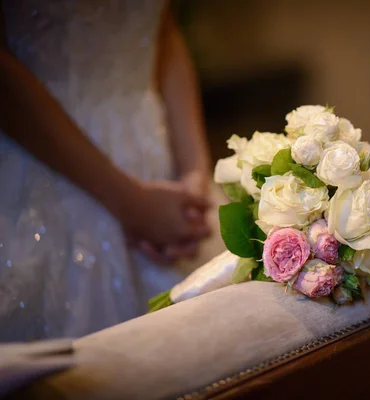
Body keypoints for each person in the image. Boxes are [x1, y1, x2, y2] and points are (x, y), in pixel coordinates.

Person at [0, 0, 226, 341]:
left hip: (160, 159)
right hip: (47, 170)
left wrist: (194, 173)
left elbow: (163, 32)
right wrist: (129, 203)